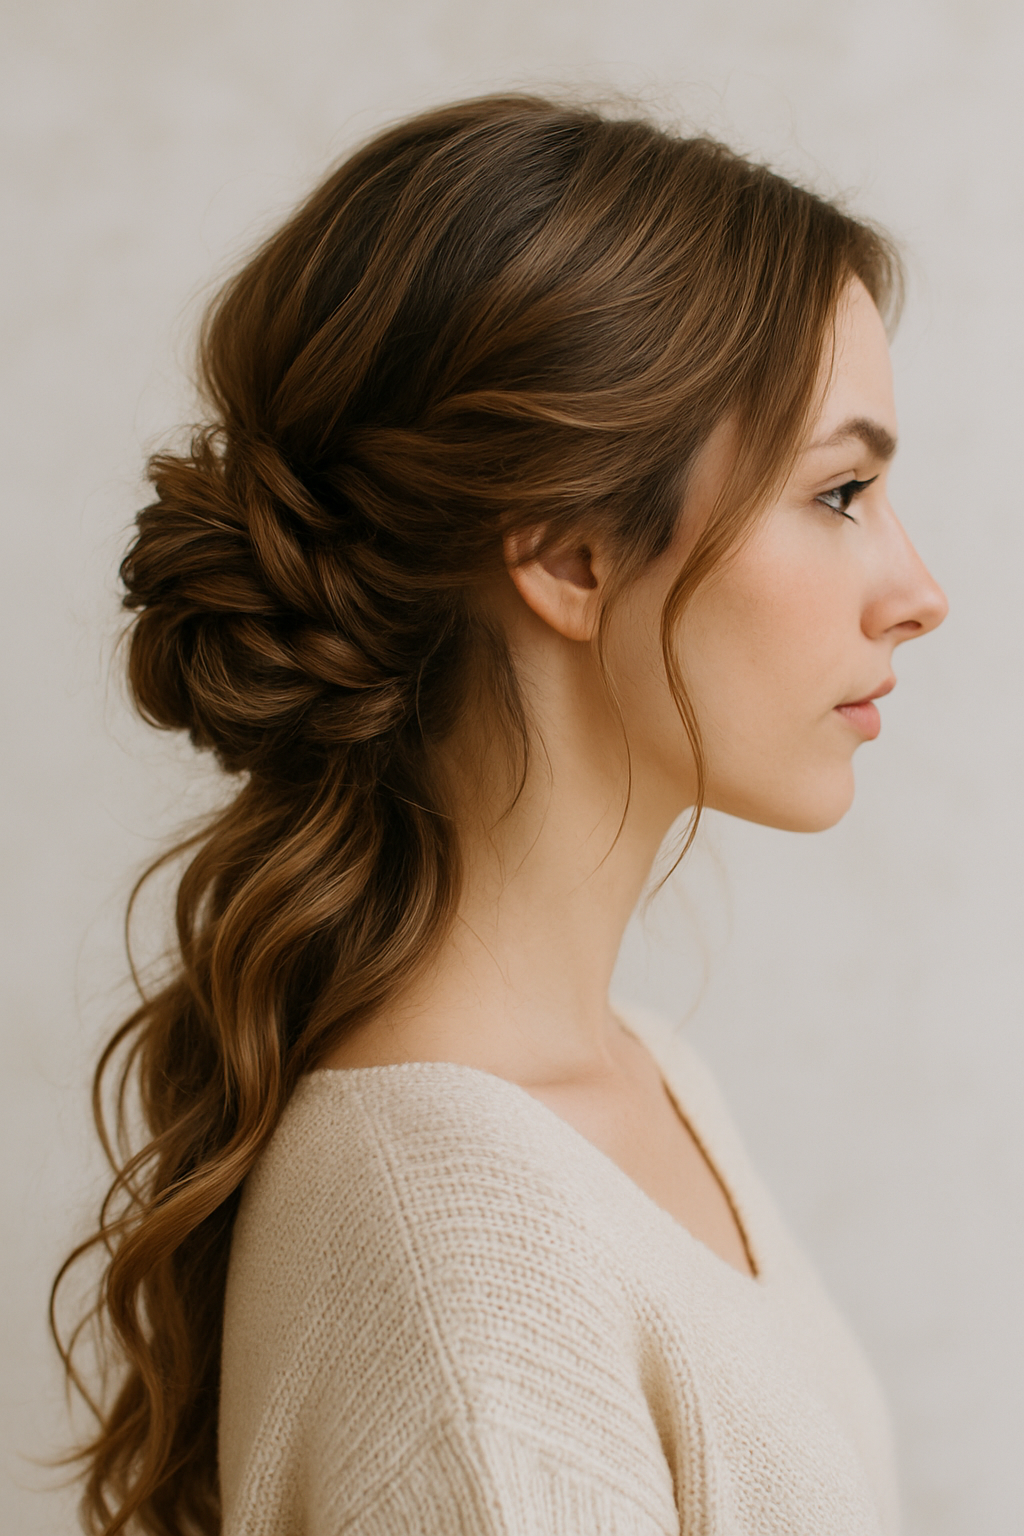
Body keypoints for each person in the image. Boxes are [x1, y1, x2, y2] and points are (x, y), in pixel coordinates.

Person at [53, 93, 947, 1535]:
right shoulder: (458, 1252)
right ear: (569, 556)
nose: (920, 589)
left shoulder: (639, 1083)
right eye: (840, 491)